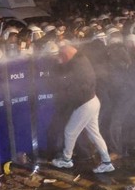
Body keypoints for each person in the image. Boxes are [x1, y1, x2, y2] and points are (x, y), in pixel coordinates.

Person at [49, 44, 115, 174]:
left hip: (86, 104)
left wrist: (66, 98)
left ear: (68, 54)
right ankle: (107, 162)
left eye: (63, 56)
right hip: (93, 101)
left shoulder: (77, 65)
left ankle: (66, 160)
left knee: (69, 131)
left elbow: (75, 87)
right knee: (94, 134)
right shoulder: (81, 60)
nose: (61, 58)